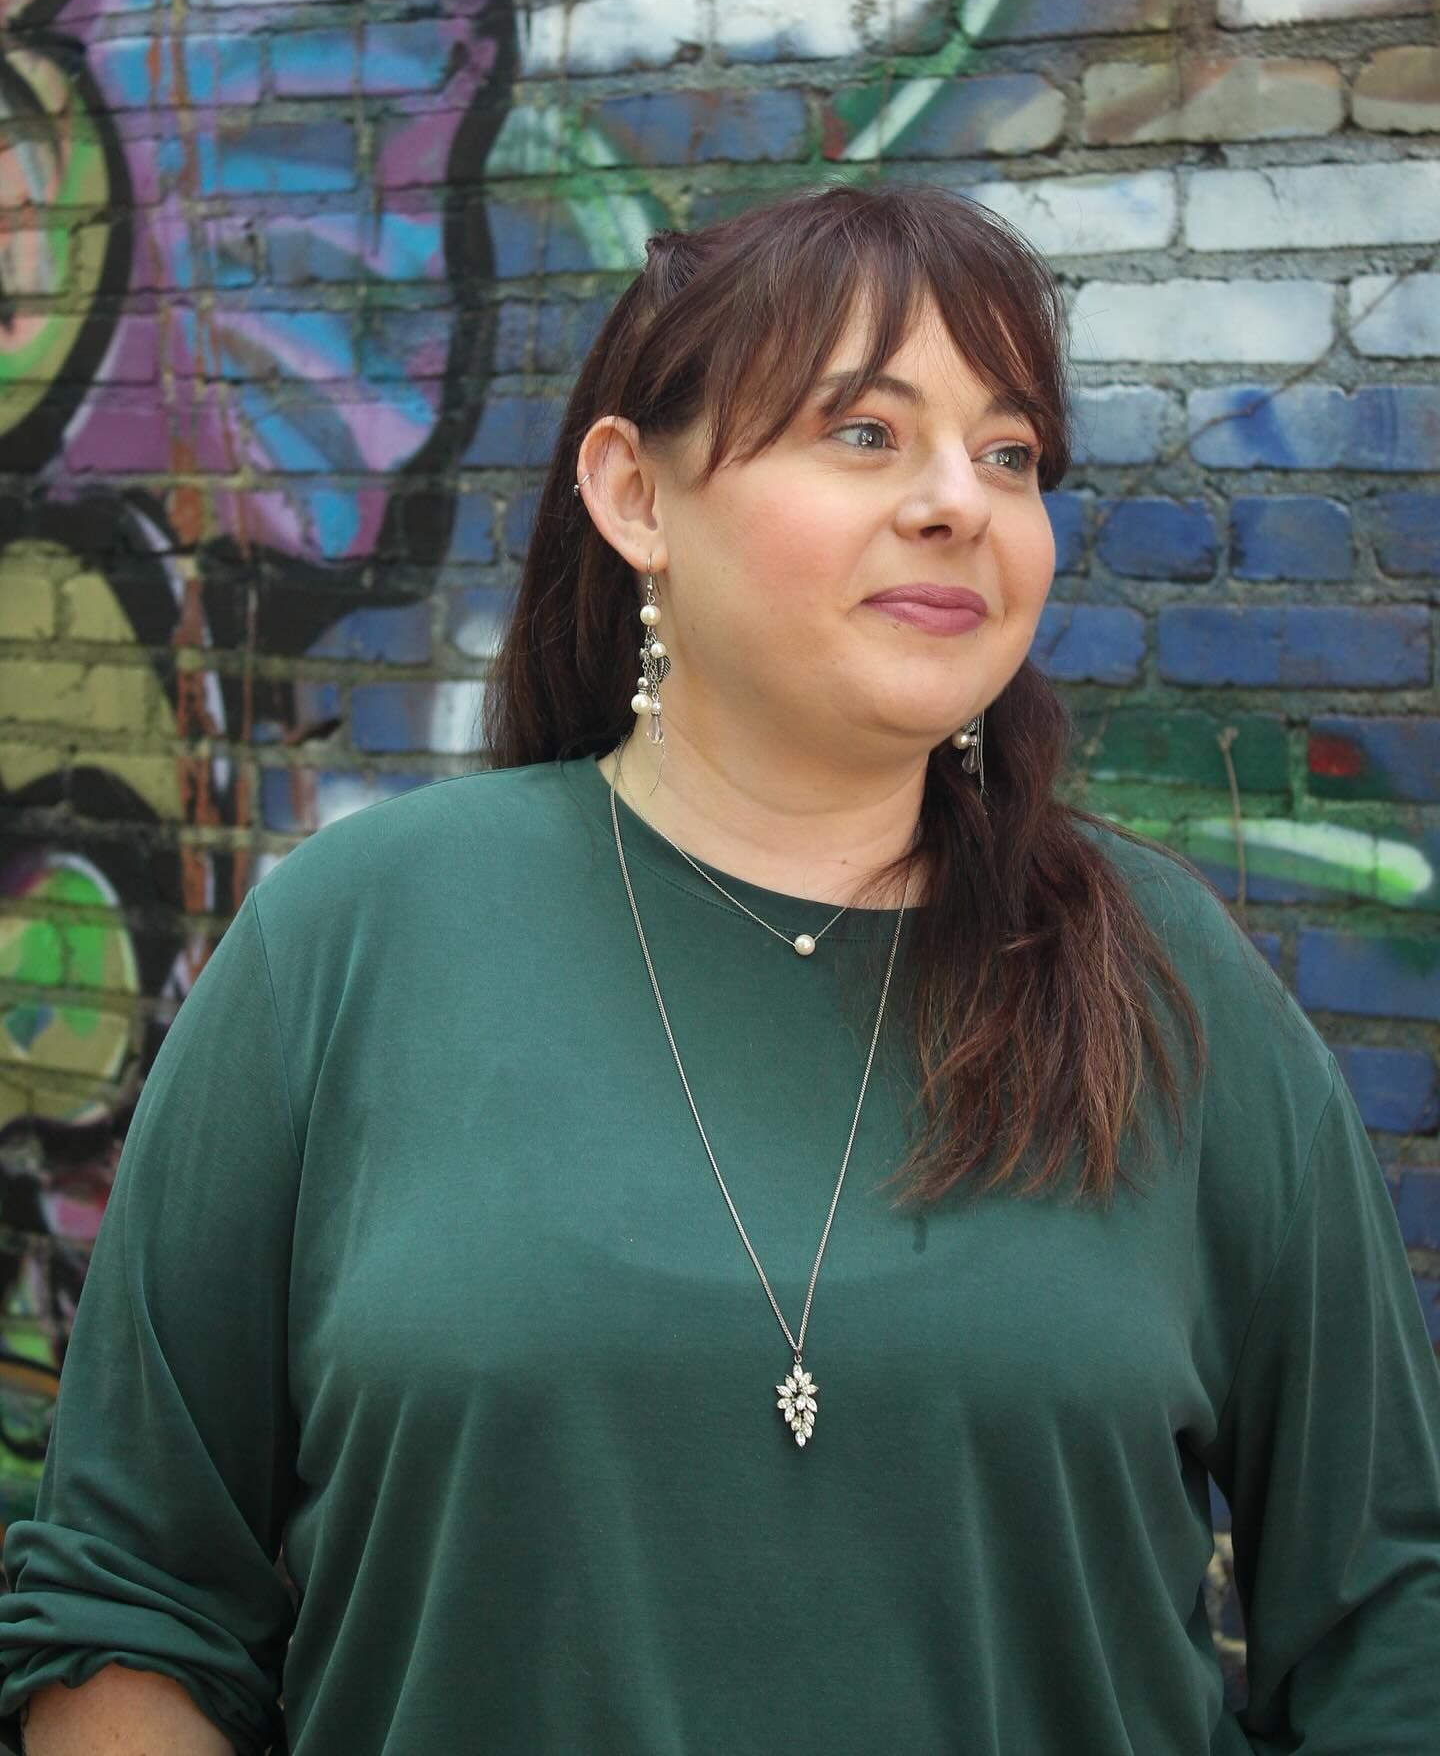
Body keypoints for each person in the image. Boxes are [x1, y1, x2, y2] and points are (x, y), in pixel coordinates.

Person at [1, 182, 1437, 1755]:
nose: (961, 499)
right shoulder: (352, 940)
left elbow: (1388, 1611)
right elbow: (131, 1592)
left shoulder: (1167, 986)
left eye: (1011, 452)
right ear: (633, 494)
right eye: (867, 431)